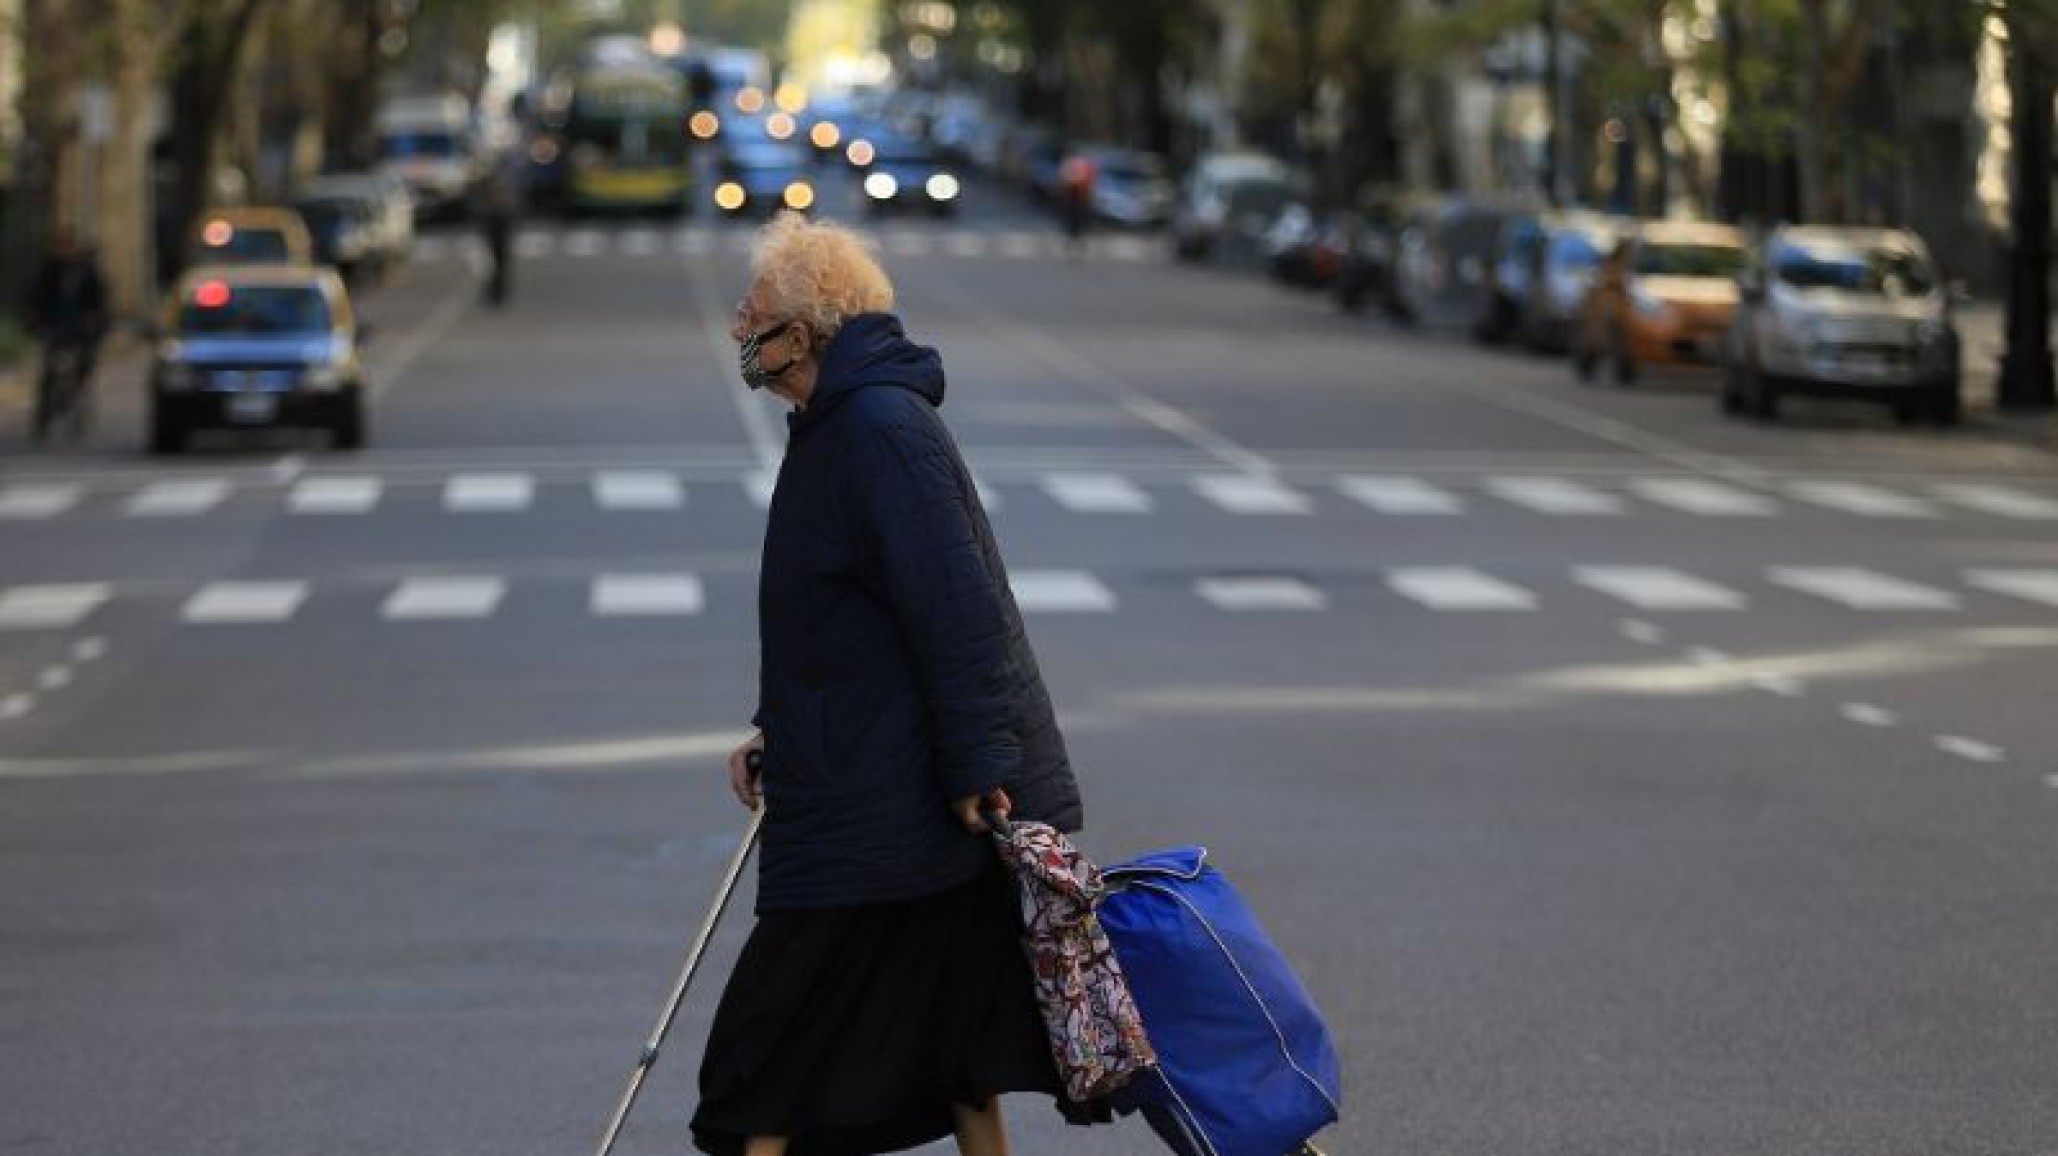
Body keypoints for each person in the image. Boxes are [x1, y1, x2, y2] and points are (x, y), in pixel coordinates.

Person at [694, 212, 1092, 1156]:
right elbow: (847, 625)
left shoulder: (877, 429)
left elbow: (955, 606)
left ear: (803, 333)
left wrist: (980, 763)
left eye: (754, 311)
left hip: (885, 810)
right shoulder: (837, 425)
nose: (739, 327)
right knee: (955, 1039)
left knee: (766, 1052)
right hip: (875, 789)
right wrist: (779, 729)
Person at [24, 226, 109, 442]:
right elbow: (38, 296)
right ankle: (43, 418)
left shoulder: (87, 270)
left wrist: (94, 322)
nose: (64, 250)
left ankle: (77, 402)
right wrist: (36, 319)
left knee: (83, 366)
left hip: (81, 328)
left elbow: (98, 300)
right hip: (56, 325)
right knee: (49, 371)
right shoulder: (50, 269)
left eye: (67, 245)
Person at [472, 151, 522, 305]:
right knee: (496, 258)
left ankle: (498, 289)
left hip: (499, 221)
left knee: (499, 259)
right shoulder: (493, 180)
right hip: (495, 221)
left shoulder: (504, 179)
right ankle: (496, 289)